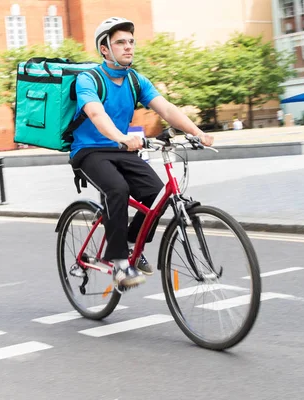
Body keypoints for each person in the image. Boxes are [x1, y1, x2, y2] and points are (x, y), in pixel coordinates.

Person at [69, 17, 214, 291]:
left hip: (121, 149)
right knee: (118, 189)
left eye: (131, 42)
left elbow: (167, 109)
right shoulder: (88, 79)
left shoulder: (136, 80)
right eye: (120, 42)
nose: (129, 47)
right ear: (104, 49)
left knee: (157, 194)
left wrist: (197, 132)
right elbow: (95, 113)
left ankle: (130, 242)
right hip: (89, 150)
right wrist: (122, 138)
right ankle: (119, 262)